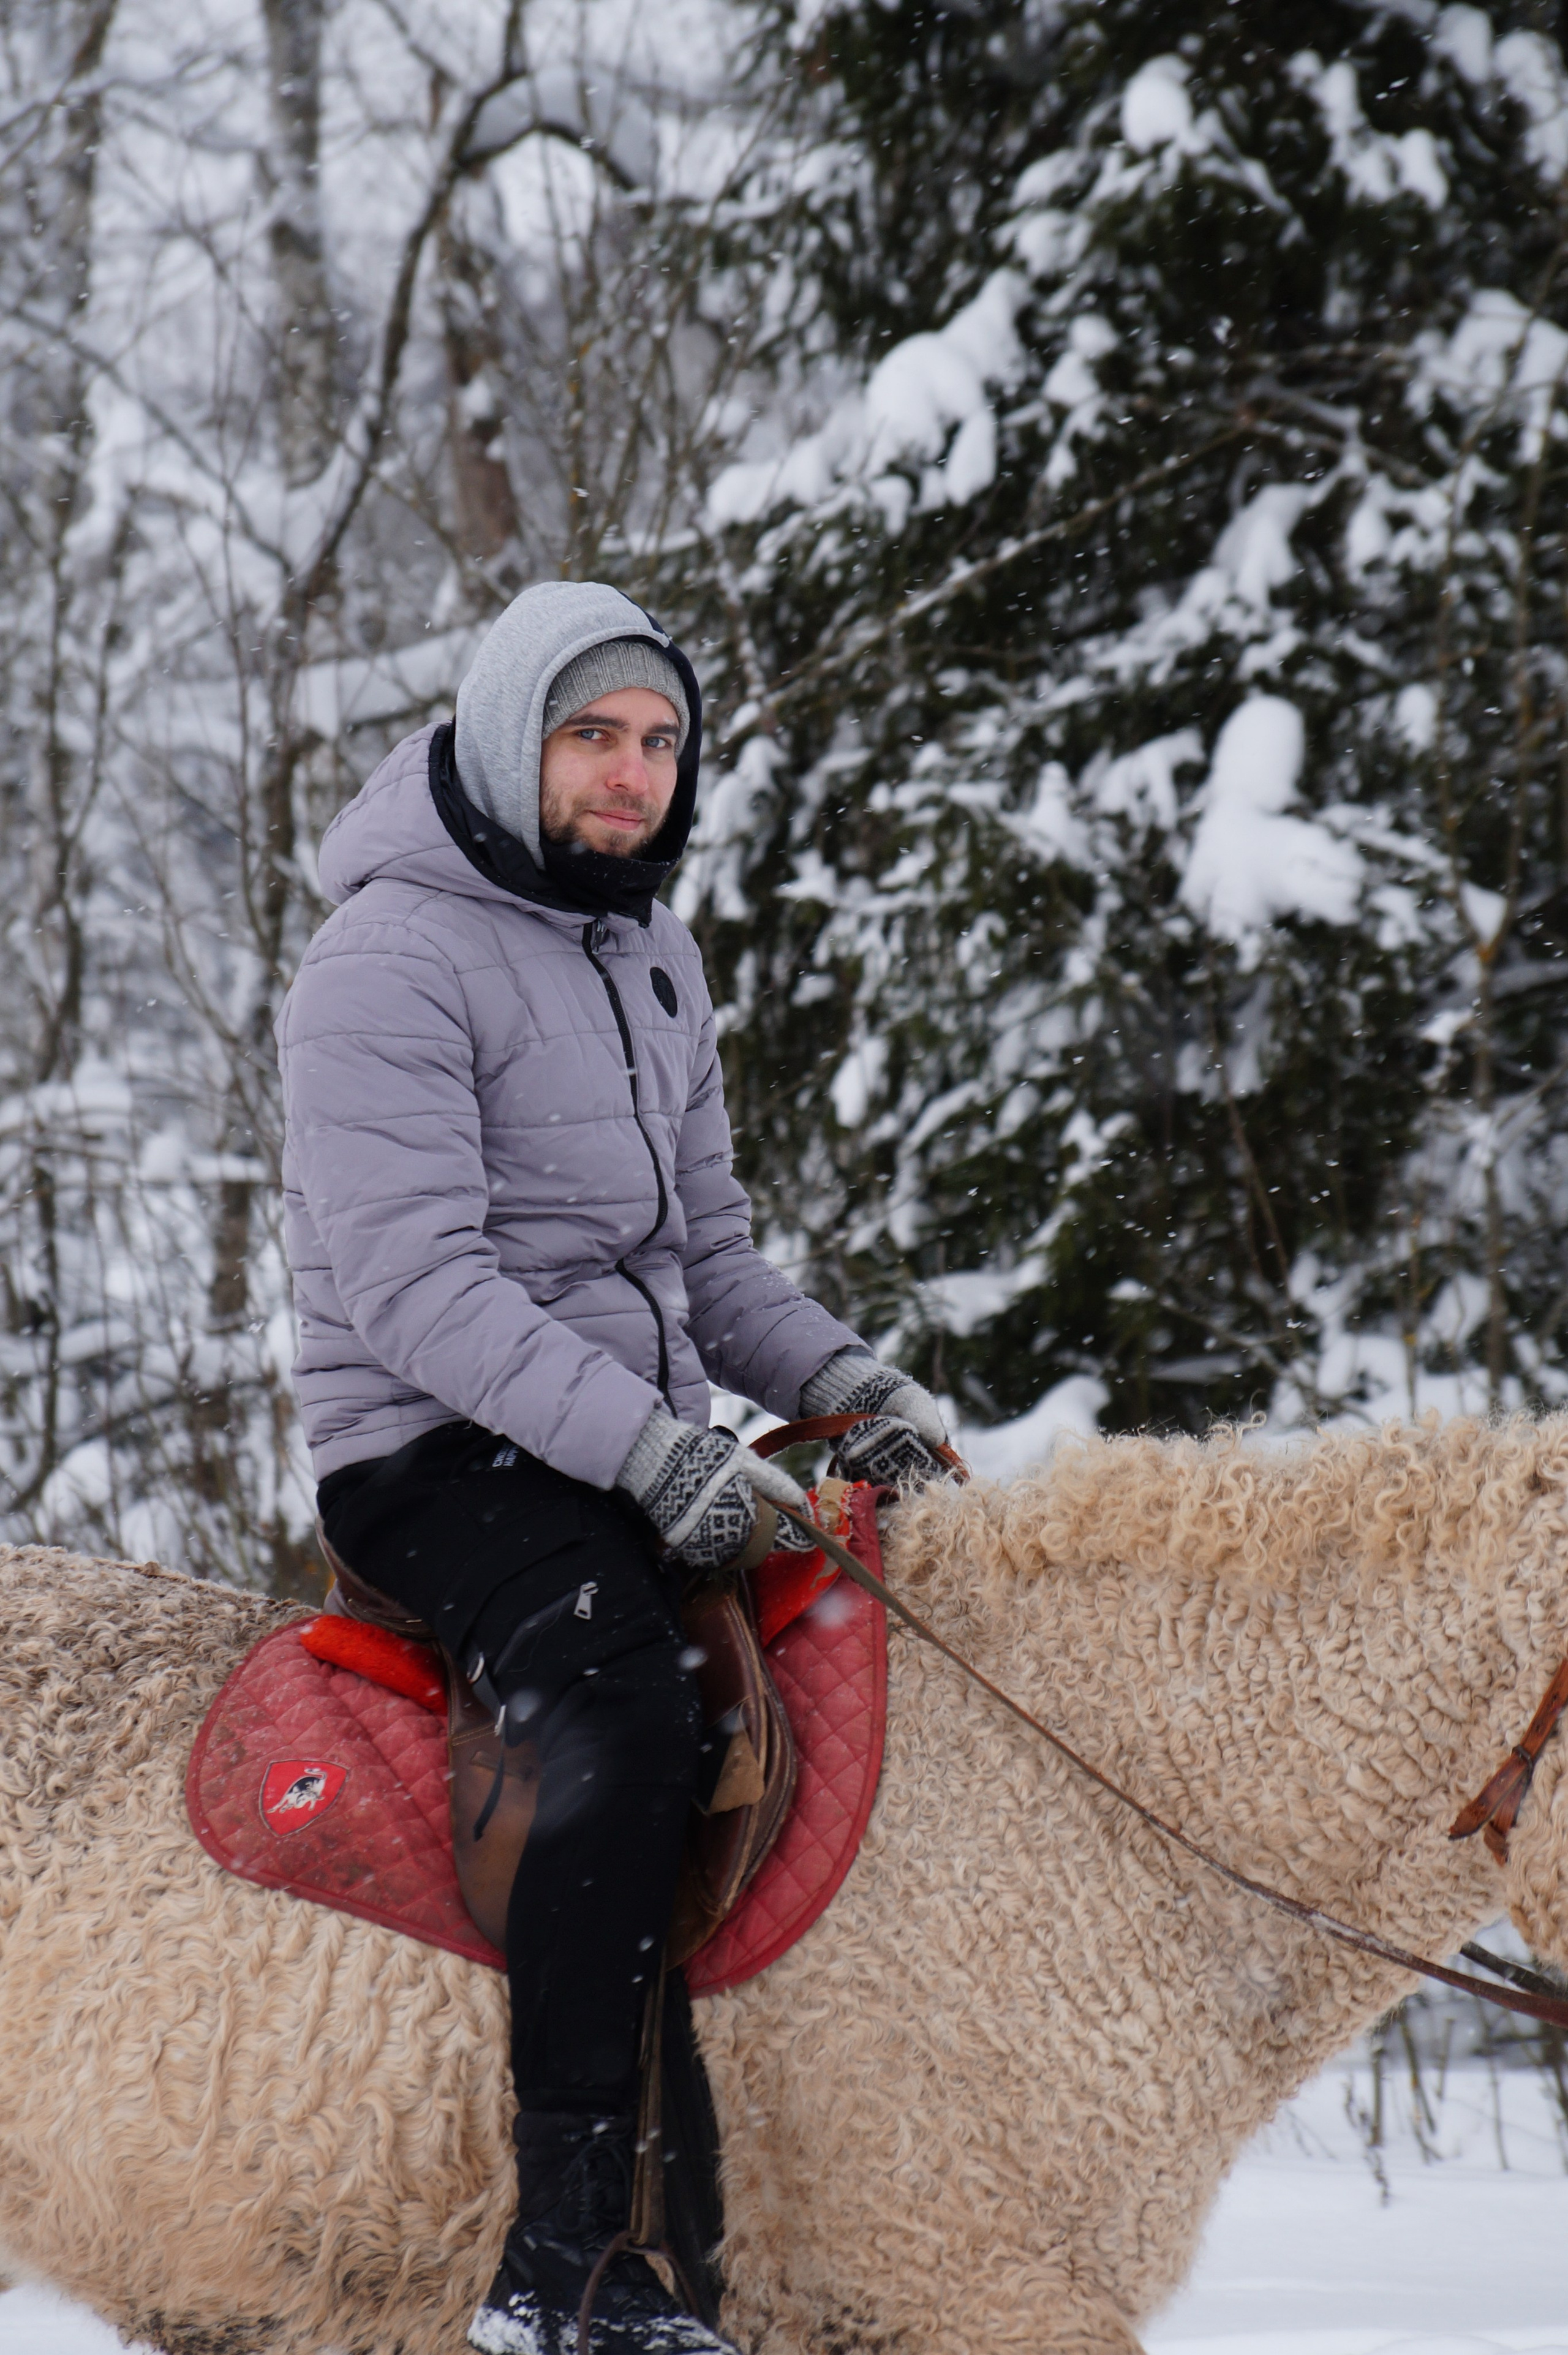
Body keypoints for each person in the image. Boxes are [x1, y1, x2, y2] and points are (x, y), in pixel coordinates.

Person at [276, 580, 951, 2355]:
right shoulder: (384, 964)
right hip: (437, 1452)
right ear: (514, 740)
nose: (633, 774)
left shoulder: (649, 950)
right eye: (594, 735)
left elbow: (712, 1257)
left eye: (660, 742)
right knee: (627, 1692)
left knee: (867, 1633)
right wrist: (654, 1455)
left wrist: (849, 1381)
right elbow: (419, 1289)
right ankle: (567, 2262)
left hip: (623, 1440)